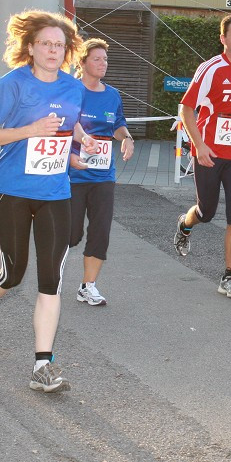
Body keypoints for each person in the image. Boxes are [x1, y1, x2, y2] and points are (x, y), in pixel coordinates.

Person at [0, 9, 92, 394]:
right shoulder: (12, 84)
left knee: (51, 280)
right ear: (31, 47)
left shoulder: (74, 88)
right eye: (46, 44)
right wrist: (29, 130)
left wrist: (81, 140)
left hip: (56, 192)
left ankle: (43, 364)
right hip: (12, 189)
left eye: (60, 45)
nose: (54, 50)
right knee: (15, 273)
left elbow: (68, 122)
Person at [171, 14, 231, 299]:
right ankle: (185, 224)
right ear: (223, 39)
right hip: (209, 154)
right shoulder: (211, 69)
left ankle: (229, 276)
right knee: (206, 211)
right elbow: (186, 109)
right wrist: (199, 145)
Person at [68, 38, 134, 307]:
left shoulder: (113, 95)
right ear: (82, 63)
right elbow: (66, 125)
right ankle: (53, 276)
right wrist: (79, 146)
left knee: (100, 231)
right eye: (97, 59)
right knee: (71, 234)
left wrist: (127, 138)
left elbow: (118, 123)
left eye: (105, 59)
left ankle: (88, 286)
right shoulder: (71, 90)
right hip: (72, 174)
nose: (103, 64)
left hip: (103, 175)